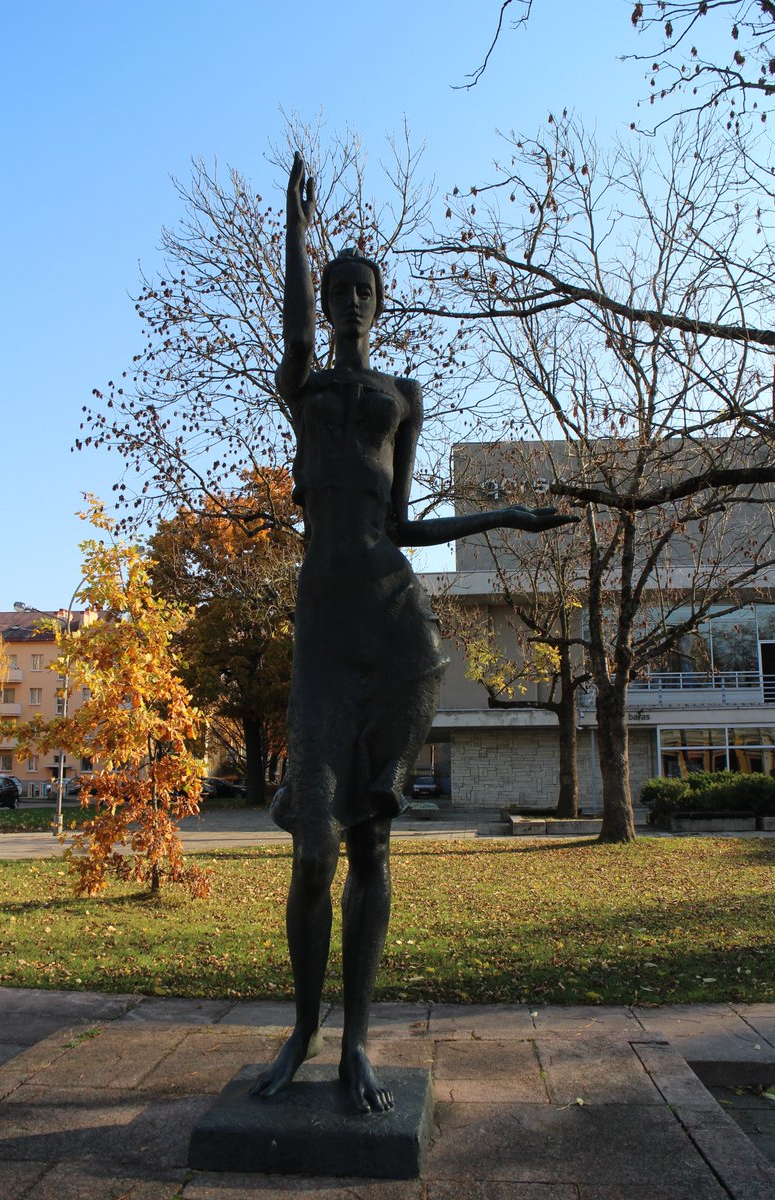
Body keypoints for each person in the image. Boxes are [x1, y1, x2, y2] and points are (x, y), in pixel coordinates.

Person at [250, 154, 577, 1114]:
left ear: (381, 305)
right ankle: (303, 1031)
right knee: (314, 850)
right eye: (338, 292)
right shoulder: (305, 391)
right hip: (324, 626)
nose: (349, 302)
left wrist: (504, 522)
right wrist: (297, 234)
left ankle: (354, 1042)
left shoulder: (404, 396)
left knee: (373, 847)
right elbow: (292, 331)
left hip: (394, 621)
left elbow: (403, 525)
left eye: (363, 291)